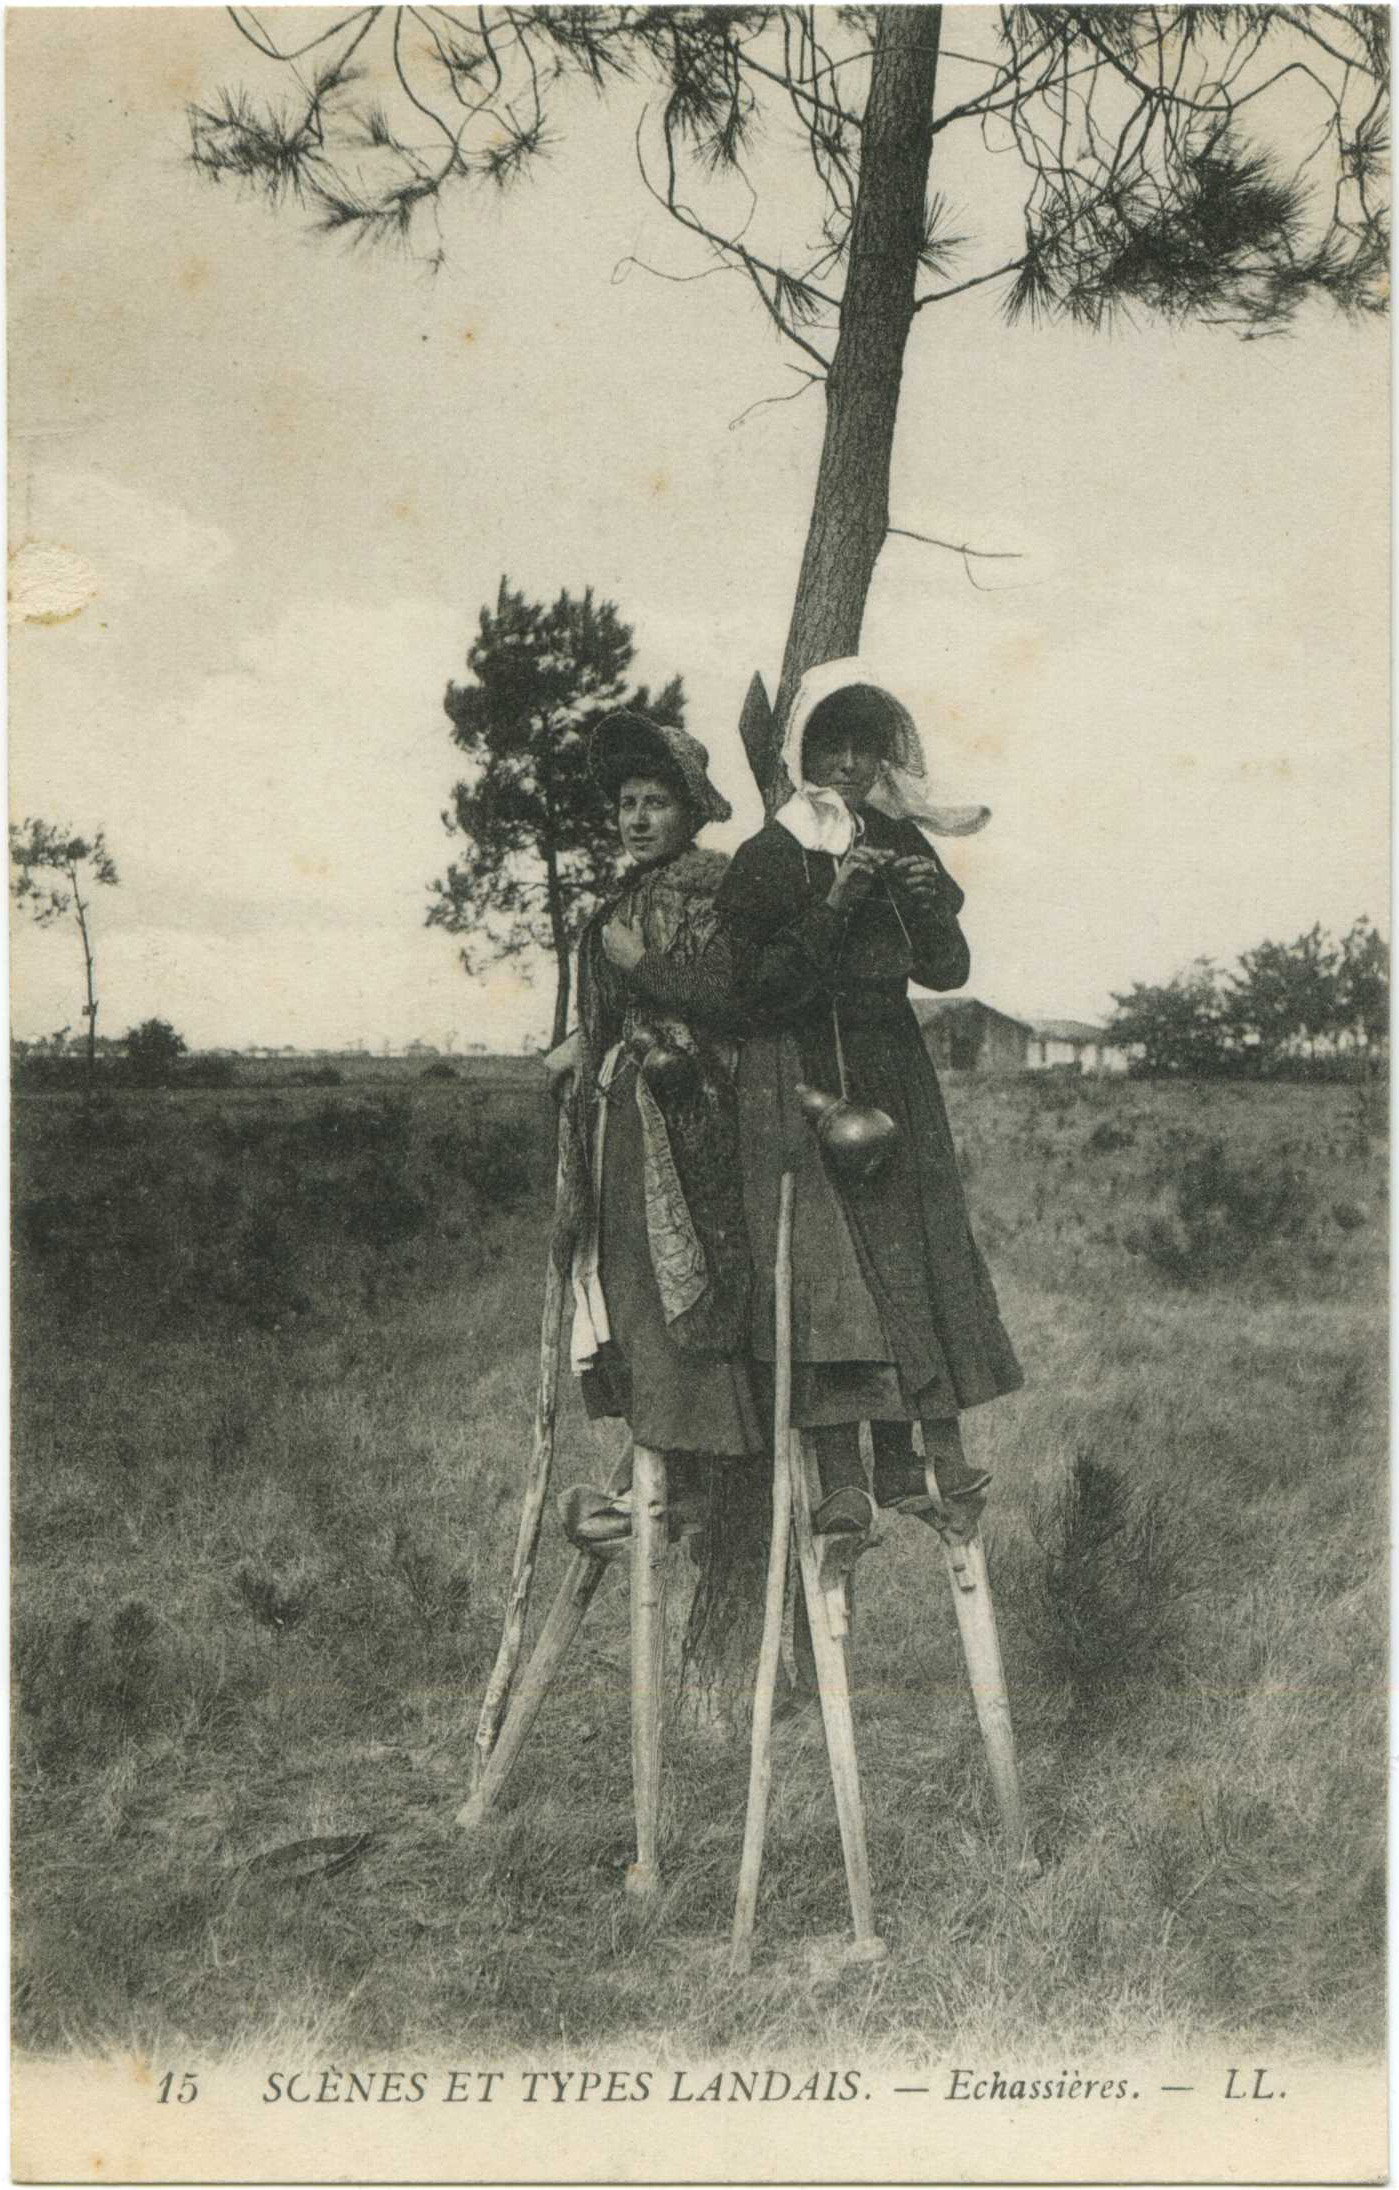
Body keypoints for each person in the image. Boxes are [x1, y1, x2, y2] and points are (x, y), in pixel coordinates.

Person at [712, 657, 1023, 1549]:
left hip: (894, 1068)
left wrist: (925, 911)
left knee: (913, 1255)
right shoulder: (770, 856)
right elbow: (758, 994)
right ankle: (843, 1479)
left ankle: (914, 1461)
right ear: (803, 748)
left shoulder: (898, 836)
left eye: (863, 744)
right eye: (830, 742)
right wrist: (839, 904)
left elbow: (948, 970)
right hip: (807, 1076)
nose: (847, 761)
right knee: (834, 1275)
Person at [548, 711, 763, 1549]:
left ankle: (688, 1481)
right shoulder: (620, 901)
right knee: (631, 1286)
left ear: (691, 811)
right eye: (626, 803)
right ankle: (655, 1473)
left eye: (656, 802)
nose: (637, 819)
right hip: (623, 1113)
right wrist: (578, 1050)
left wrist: (648, 976)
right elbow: (606, 1013)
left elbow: (735, 1002)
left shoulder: (715, 889)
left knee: (685, 1287)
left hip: (689, 1115)